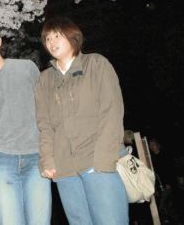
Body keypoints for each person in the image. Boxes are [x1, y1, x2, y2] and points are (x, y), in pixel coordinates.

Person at [35, 17, 128, 224]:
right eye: (48, 39)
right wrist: (48, 160)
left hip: (97, 161)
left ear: (73, 37)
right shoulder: (44, 80)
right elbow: (44, 125)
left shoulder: (95, 64)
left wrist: (103, 159)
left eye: (57, 36)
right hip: (65, 169)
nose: (52, 42)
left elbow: (111, 111)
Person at [0, 20, 51, 225]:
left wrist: (50, 152)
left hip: (35, 156)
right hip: (1, 161)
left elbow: (46, 109)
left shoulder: (27, 68)